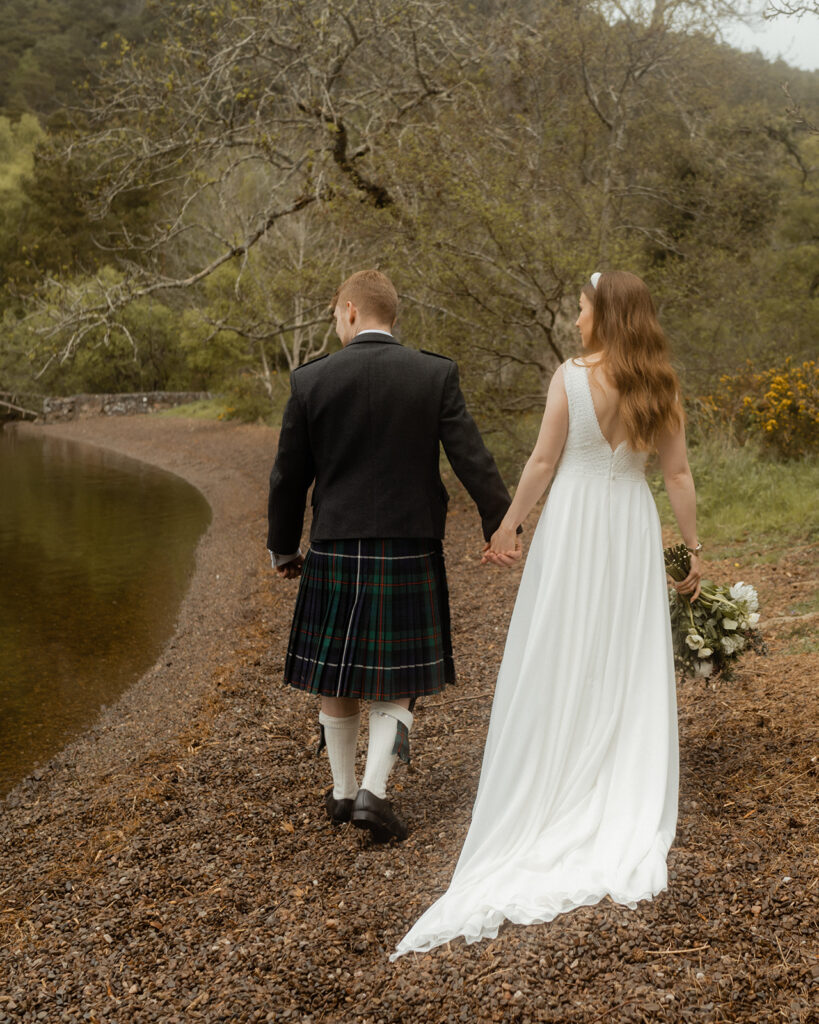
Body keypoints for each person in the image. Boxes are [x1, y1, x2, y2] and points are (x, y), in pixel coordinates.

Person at [391, 269, 701, 959]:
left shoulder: (569, 377)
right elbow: (676, 476)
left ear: (605, 314)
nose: (574, 317)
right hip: (626, 522)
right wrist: (691, 550)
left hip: (573, 524)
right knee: (620, 648)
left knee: (564, 643)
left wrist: (507, 527)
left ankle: (562, 765)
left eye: (582, 307)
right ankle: (615, 769)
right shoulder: (659, 383)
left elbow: (541, 459)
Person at [267, 268, 514, 843]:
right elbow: (470, 456)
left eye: (335, 314)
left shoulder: (312, 381)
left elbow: (287, 477)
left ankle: (342, 792)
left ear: (350, 309)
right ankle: (374, 792)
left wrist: (283, 546)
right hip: (409, 543)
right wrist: (500, 525)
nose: (336, 322)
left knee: (336, 669)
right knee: (396, 673)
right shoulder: (432, 373)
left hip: (334, 542)